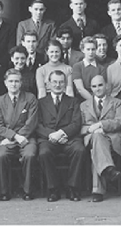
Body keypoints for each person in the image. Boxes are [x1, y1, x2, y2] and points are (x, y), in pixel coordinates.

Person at [36, 70, 85, 202]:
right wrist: (52, 135)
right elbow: (38, 124)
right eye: (55, 82)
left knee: (79, 150)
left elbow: (76, 123)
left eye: (61, 82)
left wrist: (62, 133)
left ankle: (73, 188)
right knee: (44, 152)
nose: (58, 85)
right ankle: (53, 189)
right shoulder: (40, 102)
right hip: (49, 138)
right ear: (48, 84)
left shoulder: (73, 101)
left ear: (65, 84)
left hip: (69, 137)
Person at [0, 69, 40, 201]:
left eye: (16, 81)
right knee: (0, 156)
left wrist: (19, 137)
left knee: (29, 155)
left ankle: (27, 190)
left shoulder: (30, 98)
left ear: (21, 83)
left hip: (27, 137)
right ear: (5, 83)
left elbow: (31, 123)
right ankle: (4, 191)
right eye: (11, 81)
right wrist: (14, 137)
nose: (13, 84)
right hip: (8, 137)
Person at [79, 74, 121, 202]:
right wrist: (90, 129)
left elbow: (119, 121)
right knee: (97, 139)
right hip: (91, 137)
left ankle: (98, 189)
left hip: (111, 138)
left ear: (106, 86)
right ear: (90, 89)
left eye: (100, 85)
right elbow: (79, 126)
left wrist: (101, 125)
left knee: (96, 151)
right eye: (94, 86)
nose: (97, 88)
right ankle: (108, 170)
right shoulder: (83, 105)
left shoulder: (117, 103)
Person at [73, 36, 106, 101]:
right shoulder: (77, 66)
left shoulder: (101, 68)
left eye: (93, 49)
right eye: (88, 49)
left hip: (98, 98)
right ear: (83, 50)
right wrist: (93, 102)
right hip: (81, 99)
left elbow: (101, 88)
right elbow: (80, 89)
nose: (91, 52)